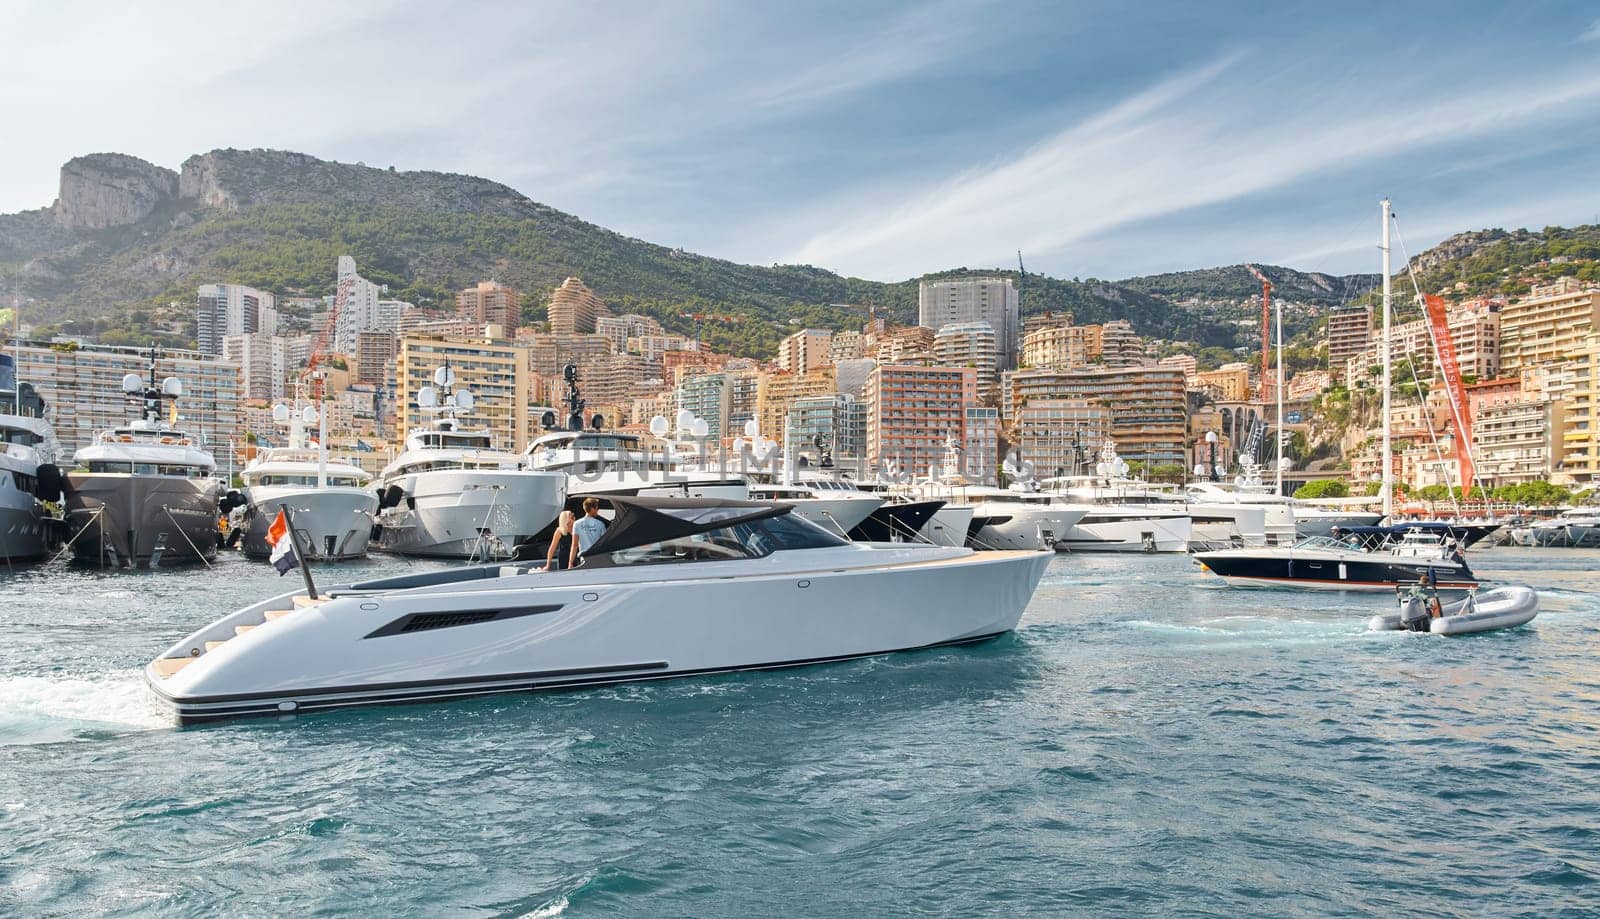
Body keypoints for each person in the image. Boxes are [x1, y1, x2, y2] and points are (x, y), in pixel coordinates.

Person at [570, 497, 608, 568]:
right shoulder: (600, 524)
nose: (598, 510)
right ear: (592, 509)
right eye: (597, 508)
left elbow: (574, 545)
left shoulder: (577, 524)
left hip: (584, 560)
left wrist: (570, 562)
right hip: (598, 559)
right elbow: (604, 544)